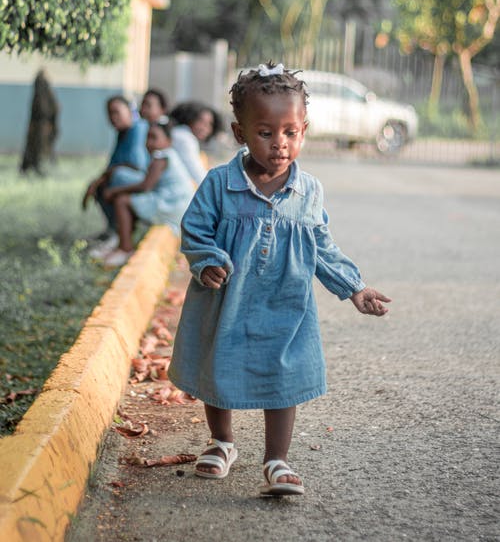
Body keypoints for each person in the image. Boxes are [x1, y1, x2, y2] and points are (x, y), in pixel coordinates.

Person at [168, 62, 391, 497]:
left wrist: (354, 288)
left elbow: (321, 245)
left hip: (286, 303)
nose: (279, 144)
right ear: (240, 133)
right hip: (227, 299)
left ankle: (276, 459)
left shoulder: (309, 191)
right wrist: (208, 260)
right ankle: (222, 442)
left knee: (283, 375)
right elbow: (194, 228)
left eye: (290, 132)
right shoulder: (219, 183)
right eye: (265, 133)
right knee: (219, 364)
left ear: (304, 130)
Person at [100, 119, 194, 268]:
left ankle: (125, 249)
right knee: (132, 201)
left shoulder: (161, 157)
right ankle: (122, 242)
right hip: (178, 205)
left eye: (154, 137)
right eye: (147, 137)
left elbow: (145, 186)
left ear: (168, 141)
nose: (149, 142)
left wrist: (114, 190)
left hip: (171, 205)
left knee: (122, 201)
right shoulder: (167, 154)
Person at [82, 96, 149, 256]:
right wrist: (96, 182)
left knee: (118, 178)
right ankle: (112, 230)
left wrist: (101, 180)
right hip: (132, 178)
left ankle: (120, 234)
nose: (113, 117)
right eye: (110, 114)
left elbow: (135, 165)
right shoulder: (122, 134)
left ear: (129, 111)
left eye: (117, 112)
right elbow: (111, 166)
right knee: (103, 183)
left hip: (146, 181)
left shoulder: (138, 128)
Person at [169, 101, 223, 185]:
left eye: (209, 124)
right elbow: (199, 176)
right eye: (200, 121)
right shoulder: (185, 139)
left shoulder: (180, 133)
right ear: (189, 118)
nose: (204, 128)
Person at [20, 68, 59, 175]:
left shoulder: (46, 94)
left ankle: (42, 167)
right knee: (34, 148)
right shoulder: (41, 94)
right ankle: (30, 167)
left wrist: (49, 124)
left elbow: (49, 110)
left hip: (43, 126)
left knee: (42, 149)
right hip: (39, 126)